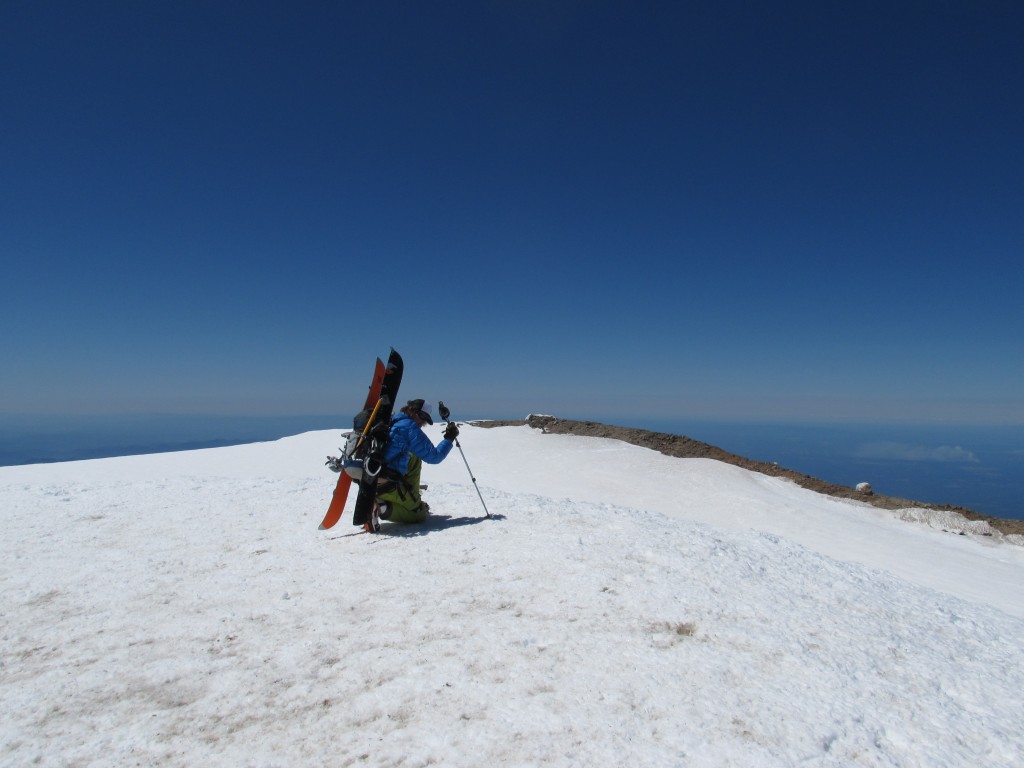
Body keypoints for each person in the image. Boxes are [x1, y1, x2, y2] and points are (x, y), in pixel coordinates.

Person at [375, 399, 459, 523]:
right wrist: (449, 439)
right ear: (411, 410)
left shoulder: (394, 420)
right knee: (418, 514)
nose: (422, 422)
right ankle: (379, 507)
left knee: (414, 456)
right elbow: (434, 457)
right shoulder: (409, 427)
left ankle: (409, 497)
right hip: (386, 482)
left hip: (373, 473)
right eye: (421, 417)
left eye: (425, 420)